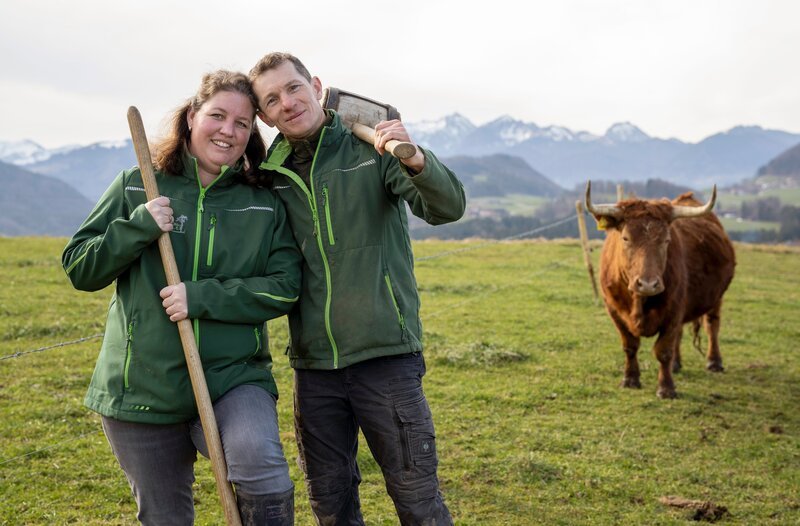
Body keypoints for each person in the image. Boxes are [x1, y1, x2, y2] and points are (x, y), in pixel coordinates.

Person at [62, 70, 302, 525]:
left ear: (252, 134)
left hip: (233, 379)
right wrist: (137, 227)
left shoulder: (263, 204)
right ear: (192, 117)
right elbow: (80, 267)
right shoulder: (138, 184)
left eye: (243, 123)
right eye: (217, 116)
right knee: (166, 517)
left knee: (260, 465)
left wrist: (201, 297)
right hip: (142, 386)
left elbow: (285, 286)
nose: (228, 131)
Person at [249, 52, 465, 525]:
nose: (286, 103)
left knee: (417, 499)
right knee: (331, 504)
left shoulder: (369, 147)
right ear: (263, 117)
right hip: (315, 368)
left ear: (316, 86)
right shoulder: (270, 178)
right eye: (271, 99)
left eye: (293, 88)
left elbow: (446, 208)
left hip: (386, 358)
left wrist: (414, 157)